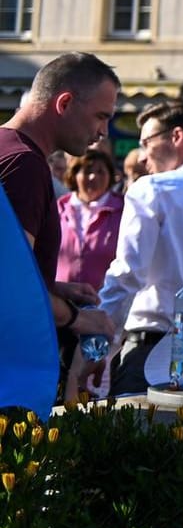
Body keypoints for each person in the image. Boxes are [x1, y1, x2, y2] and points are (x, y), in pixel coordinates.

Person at [85, 100, 183, 397]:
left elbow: (127, 275)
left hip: (151, 352)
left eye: (147, 142)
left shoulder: (152, 189)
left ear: (177, 137)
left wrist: (97, 349)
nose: (144, 157)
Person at [1, 54, 120, 346]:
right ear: (64, 103)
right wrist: (77, 318)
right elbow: (10, 284)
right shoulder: (23, 166)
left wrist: (52, 288)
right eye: (101, 116)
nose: (102, 132)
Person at [57, 148, 124, 293]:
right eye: (87, 171)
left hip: (106, 303)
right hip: (62, 304)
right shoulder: (57, 209)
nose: (93, 177)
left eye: (100, 172)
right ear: (74, 175)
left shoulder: (123, 210)